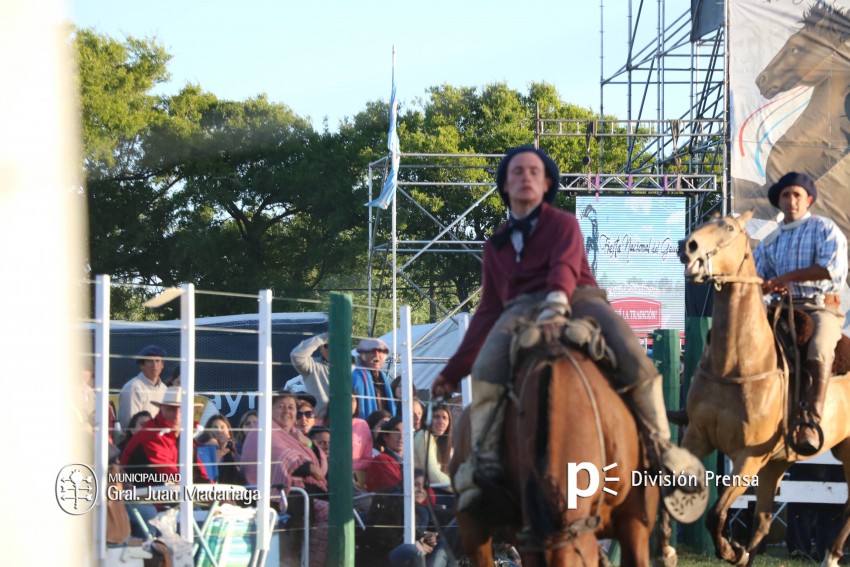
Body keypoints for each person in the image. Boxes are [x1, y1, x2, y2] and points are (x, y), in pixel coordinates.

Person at [430, 145, 705, 511]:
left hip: (579, 298)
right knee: (484, 373)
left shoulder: (563, 223)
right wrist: (453, 370)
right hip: (518, 311)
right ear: (505, 184)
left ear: (546, 185)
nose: (526, 177)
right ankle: (485, 461)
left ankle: (662, 449)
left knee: (634, 357)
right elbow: (487, 310)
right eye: (517, 172)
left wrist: (556, 306)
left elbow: (562, 267)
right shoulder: (494, 244)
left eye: (534, 171)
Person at [753, 172, 848, 455]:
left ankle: (810, 421)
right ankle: (711, 407)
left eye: (797, 195)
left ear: (808, 200)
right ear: (778, 202)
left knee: (818, 349)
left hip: (820, 308)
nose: (791, 200)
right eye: (786, 195)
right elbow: (759, 279)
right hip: (781, 309)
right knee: (737, 342)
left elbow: (829, 269)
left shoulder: (825, 229)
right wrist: (766, 285)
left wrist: (785, 279)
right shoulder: (769, 241)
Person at [240, 390, 329, 567]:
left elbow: (322, 468)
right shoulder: (262, 430)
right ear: (270, 409)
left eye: (291, 407)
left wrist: (309, 443)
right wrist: (310, 468)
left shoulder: (296, 435)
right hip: (276, 496)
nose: (287, 411)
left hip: (302, 493)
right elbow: (279, 456)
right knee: (328, 511)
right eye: (280, 407)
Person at [118, 345, 168, 429]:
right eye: (150, 361)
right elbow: (129, 424)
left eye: (157, 361)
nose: (154, 365)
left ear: (162, 365)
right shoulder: (133, 387)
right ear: (142, 365)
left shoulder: (164, 389)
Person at [289, 332, 331, 421]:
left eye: (335, 345)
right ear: (320, 349)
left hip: (345, 424)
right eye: (327, 346)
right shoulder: (312, 366)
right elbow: (296, 355)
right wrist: (323, 337)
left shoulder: (352, 368)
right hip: (318, 422)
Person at [352, 338, 396, 419]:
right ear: (363, 356)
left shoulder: (382, 376)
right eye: (372, 351)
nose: (376, 355)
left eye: (380, 351)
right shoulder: (356, 376)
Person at [414, 403, 453, 488]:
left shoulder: (438, 441)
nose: (441, 422)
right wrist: (458, 487)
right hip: (423, 492)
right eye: (436, 417)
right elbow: (433, 476)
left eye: (444, 418)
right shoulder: (423, 436)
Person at [366, 416, 405, 493]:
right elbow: (397, 491)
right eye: (396, 432)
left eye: (405, 432)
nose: (401, 436)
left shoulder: (411, 460)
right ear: (385, 437)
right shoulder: (381, 461)